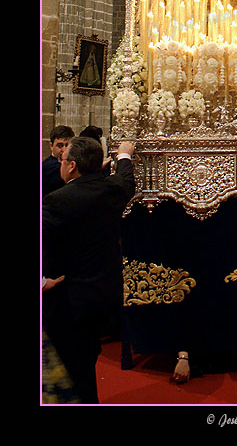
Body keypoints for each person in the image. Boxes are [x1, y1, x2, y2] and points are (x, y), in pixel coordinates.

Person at [42, 136, 136, 404]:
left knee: (71, 372)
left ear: (71, 166)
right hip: (101, 297)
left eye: (62, 160)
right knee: (85, 364)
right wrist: (125, 155)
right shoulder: (113, 191)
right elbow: (126, 181)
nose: (60, 165)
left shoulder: (56, 201)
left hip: (66, 302)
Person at [42, 125, 75, 198]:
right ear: (51, 146)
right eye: (60, 146)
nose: (64, 150)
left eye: (67, 145)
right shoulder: (49, 166)